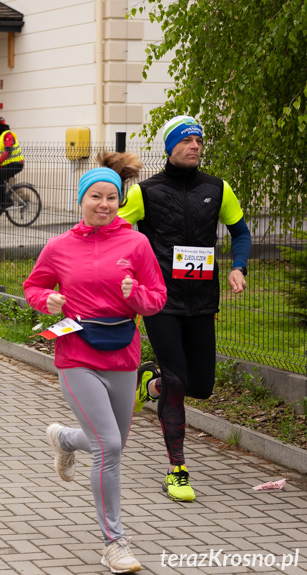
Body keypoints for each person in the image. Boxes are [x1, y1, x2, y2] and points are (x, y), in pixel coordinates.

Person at [24, 153, 166, 574]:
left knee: (112, 440)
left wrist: (134, 293)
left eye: (111, 197)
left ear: (120, 201)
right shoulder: (60, 246)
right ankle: (114, 543)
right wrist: (46, 300)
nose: (103, 204)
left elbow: (156, 299)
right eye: (95, 197)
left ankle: (66, 440)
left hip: (123, 352)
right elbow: (34, 286)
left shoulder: (136, 244)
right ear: (80, 200)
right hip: (77, 354)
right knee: (110, 446)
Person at [119, 115, 252, 503]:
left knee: (202, 387)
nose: (195, 145)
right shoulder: (146, 192)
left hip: (202, 302)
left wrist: (238, 267)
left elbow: (241, 231)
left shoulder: (217, 188)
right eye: (187, 139)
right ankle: (177, 470)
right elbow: (118, 236)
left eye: (199, 139)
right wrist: (130, 275)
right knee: (177, 384)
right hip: (160, 300)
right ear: (170, 147)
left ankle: (149, 384)